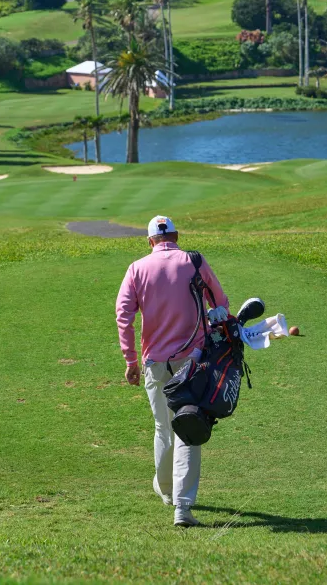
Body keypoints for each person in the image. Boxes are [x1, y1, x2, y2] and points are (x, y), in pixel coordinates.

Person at [115, 214, 229, 527]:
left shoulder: (137, 268)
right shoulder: (194, 261)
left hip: (155, 363)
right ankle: (182, 507)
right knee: (189, 429)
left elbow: (123, 317)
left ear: (150, 241)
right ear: (176, 236)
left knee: (163, 427)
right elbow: (221, 303)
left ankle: (166, 492)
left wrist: (130, 361)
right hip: (193, 361)